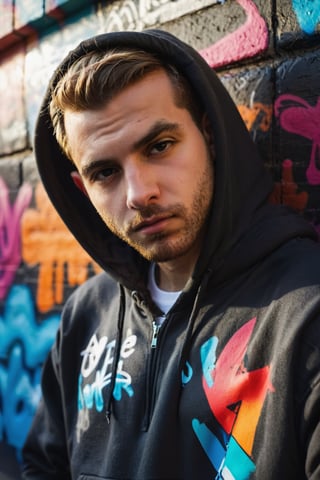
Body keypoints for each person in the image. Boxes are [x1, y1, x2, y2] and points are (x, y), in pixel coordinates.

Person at [22, 30, 320, 480]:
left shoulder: (306, 315)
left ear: (209, 134)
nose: (140, 194)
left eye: (159, 146)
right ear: (83, 189)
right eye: (105, 172)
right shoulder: (85, 315)